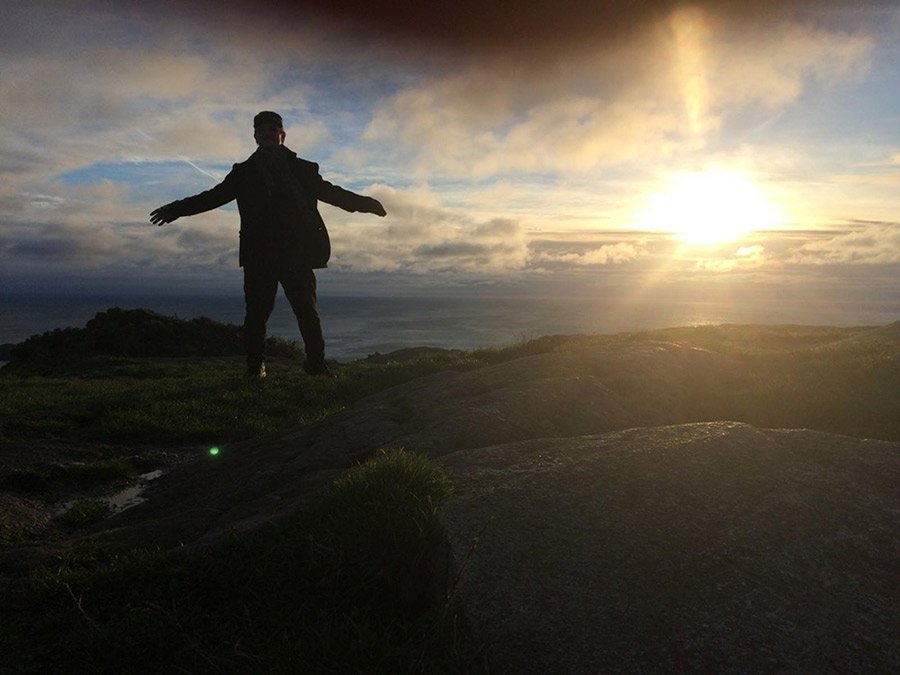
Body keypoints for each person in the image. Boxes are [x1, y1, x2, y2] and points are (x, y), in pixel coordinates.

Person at [150, 111, 386, 378]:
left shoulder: (303, 169)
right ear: (255, 138)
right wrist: (176, 209)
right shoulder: (243, 173)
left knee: (306, 311)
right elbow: (212, 197)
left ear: (282, 136)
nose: (267, 134)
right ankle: (255, 367)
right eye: (261, 131)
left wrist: (366, 204)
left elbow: (332, 193)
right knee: (257, 314)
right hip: (258, 255)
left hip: (296, 254)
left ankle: (317, 365)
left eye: (272, 130)